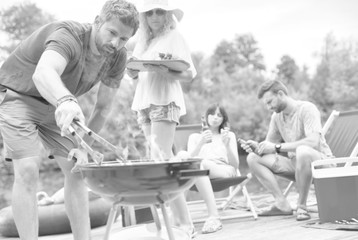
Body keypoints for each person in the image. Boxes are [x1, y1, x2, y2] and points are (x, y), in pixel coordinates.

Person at [0, 1, 139, 239]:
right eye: (112, 33)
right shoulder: (69, 35)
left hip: (57, 106)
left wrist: (84, 147)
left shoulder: (117, 58)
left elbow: (103, 109)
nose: (116, 43)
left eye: (124, 39)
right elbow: (44, 73)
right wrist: (65, 100)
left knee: (76, 169)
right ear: (97, 22)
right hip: (19, 96)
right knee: (28, 169)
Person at [126, 0, 197, 236]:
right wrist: (131, 71)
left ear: (167, 15)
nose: (155, 16)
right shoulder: (143, 41)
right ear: (144, 17)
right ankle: (170, 223)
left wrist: (167, 70)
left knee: (163, 162)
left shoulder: (175, 37)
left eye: (159, 11)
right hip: (144, 102)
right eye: (150, 12)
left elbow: (189, 74)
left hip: (165, 100)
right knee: (157, 164)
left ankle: (184, 224)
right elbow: (136, 74)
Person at [240, 80, 333, 221]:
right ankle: (282, 203)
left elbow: (313, 142)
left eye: (270, 102)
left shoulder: (307, 109)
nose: (268, 107)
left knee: (303, 150)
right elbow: (268, 145)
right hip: (296, 166)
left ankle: (302, 206)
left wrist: (277, 147)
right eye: (266, 104)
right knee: (253, 158)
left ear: (281, 94)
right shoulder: (277, 117)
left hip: (321, 166)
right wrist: (257, 147)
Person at [186, 103, 239, 233]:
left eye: (219, 115)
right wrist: (200, 143)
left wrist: (227, 146)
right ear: (205, 117)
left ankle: (213, 217)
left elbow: (235, 165)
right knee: (196, 164)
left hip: (225, 169)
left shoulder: (228, 136)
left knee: (199, 164)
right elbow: (187, 162)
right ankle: (183, 220)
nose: (215, 117)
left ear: (223, 120)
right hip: (201, 171)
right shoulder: (194, 137)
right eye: (212, 114)